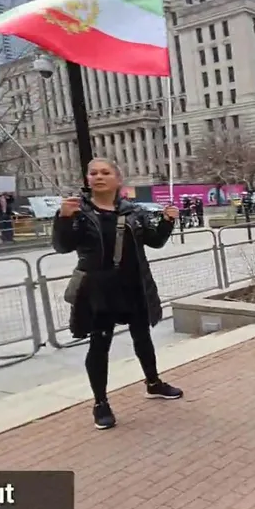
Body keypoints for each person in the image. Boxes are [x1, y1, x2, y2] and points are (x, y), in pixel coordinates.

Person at [52, 158, 183, 430]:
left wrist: (167, 221)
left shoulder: (133, 211)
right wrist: (63, 219)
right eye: (93, 173)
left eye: (105, 172)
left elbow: (155, 241)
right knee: (100, 345)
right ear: (88, 179)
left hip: (134, 285)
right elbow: (62, 246)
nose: (98, 177)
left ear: (118, 180)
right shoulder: (78, 211)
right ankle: (100, 403)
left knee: (143, 337)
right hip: (98, 290)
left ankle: (153, 383)